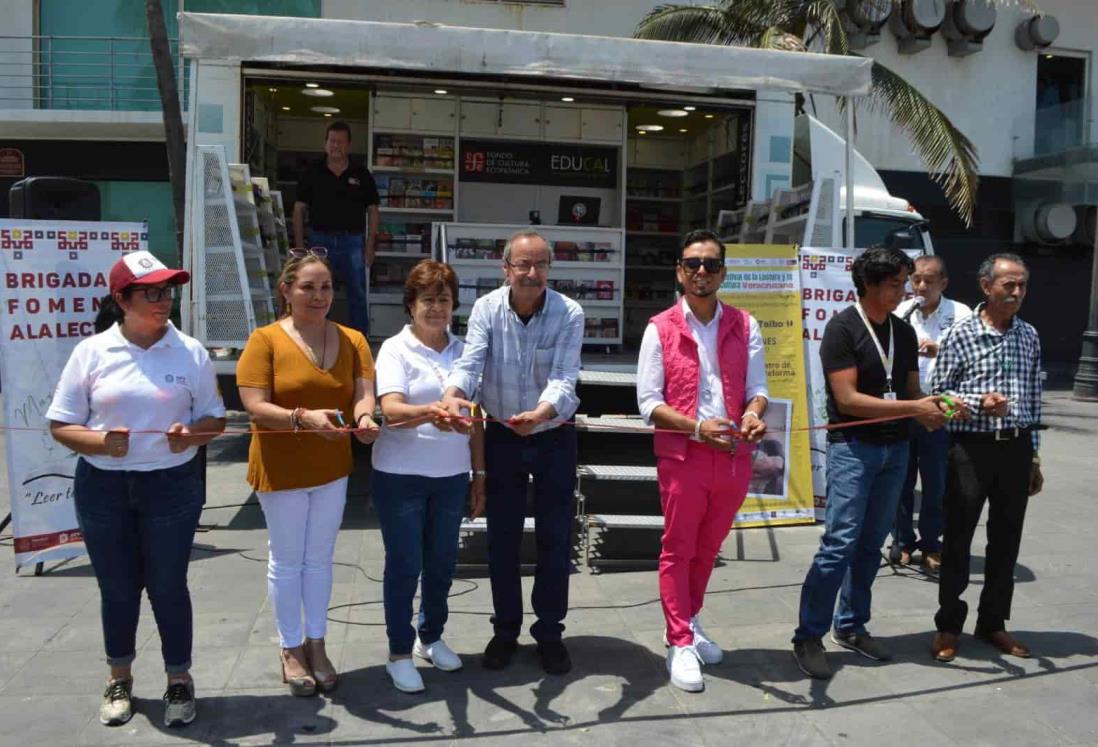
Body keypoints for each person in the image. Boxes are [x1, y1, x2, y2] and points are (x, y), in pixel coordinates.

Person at [47, 251, 226, 728]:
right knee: (117, 588)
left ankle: (179, 679)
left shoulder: (191, 352)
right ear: (121, 299)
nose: (163, 300)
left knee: (168, 586)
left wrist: (193, 435)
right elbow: (61, 425)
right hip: (103, 488)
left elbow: (215, 418)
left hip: (171, 486)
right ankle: (118, 677)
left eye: (167, 291)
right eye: (151, 292)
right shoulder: (91, 352)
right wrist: (101, 443)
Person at [792, 247, 950, 680]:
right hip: (854, 449)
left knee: (871, 543)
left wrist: (937, 406)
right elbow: (848, 400)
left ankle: (851, 625)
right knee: (839, 543)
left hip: (895, 450)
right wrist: (912, 410)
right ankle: (808, 634)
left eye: (906, 282)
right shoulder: (842, 329)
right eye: (897, 283)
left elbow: (912, 388)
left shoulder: (901, 330)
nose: (906, 291)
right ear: (871, 285)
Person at [236, 251, 380, 697]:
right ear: (287, 291)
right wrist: (302, 417)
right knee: (287, 560)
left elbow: (363, 393)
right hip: (281, 467)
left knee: (319, 558)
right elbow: (254, 404)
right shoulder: (264, 340)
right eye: (308, 287)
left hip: (332, 466)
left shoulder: (353, 339)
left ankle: (317, 643)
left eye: (326, 288)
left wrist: (366, 420)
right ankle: (290, 647)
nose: (319, 296)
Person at [441, 229, 584, 675]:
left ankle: (550, 633)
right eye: (522, 264)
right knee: (501, 538)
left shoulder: (569, 312)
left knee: (555, 538)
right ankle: (505, 630)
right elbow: (470, 363)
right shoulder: (486, 308)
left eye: (540, 264)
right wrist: (453, 396)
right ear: (505, 269)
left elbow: (565, 377)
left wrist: (540, 413)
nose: (532, 273)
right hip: (502, 435)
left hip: (554, 435)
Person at [635, 230, 769, 692]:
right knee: (678, 548)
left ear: (723, 273)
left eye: (711, 265)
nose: (701, 272)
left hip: (733, 454)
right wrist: (695, 427)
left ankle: (688, 623)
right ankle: (678, 640)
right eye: (693, 264)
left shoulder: (746, 325)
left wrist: (752, 415)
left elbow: (759, 389)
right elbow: (647, 402)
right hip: (683, 454)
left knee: (708, 549)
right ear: (679, 271)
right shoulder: (660, 327)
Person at [371, 260, 487, 693]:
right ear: (411, 305)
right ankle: (398, 651)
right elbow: (392, 410)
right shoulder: (395, 350)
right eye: (427, 300)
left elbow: (475, 419)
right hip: (400, 476)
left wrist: (479, 474)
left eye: (443, 299)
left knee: (442, 565)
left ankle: (431, 636)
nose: (436, 308)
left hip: (451, 476)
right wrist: (431, 412)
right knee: (404, 565)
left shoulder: (465, 351)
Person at [929, 253, 1043, 663]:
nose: (1016, 293)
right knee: (958, 539)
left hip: (1015, 447)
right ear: (985, 286)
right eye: (1008, 285)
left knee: (1006, 541)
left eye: (1022, 285)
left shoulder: (1029, 335)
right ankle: (948, 626)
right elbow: (939, 394)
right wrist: (980, 402)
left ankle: (993, 622)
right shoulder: (961, 333)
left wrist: (1033, 458)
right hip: (969, 450)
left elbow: (1033, 400)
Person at [891, 255, 972, 570]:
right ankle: (902, 540)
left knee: (936, 481)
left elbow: (972, 359)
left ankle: (931, 543)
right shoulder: (902, 311)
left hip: (939, 410)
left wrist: (942, 350)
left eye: (929, 280)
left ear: (944, 283)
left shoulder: (961, 314)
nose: (921, 286)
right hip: (905, 407)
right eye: (916, 280)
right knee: (901, 479)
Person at [293, 121, 381, 337]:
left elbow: (373, 210)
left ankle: (360, 343)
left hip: (352, 241)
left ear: (349, 145)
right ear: (325, 144)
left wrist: (370, 246)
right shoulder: (313, 172)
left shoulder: (361, 173)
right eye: (332, 141)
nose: (336, 146)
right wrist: (299, 245)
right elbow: (298, 210)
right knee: (317, 293)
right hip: (319, 242)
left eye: (340, 142)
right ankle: (317, 338)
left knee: (357, 294)